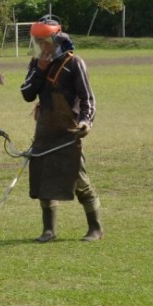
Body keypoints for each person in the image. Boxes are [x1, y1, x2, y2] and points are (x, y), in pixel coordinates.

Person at [19, 16, 103, 242]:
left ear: (57, 39)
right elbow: (27, 93)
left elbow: (88, 99)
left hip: (69, 133)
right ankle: (49, 230)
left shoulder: (74, 63)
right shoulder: (36, 63)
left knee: (80, 181)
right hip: (44, 130)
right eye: (38, 41)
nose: (42, 46)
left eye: (45, 41)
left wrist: (86, 122)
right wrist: (40, 69)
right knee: (43, 180)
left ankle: (95, 228)